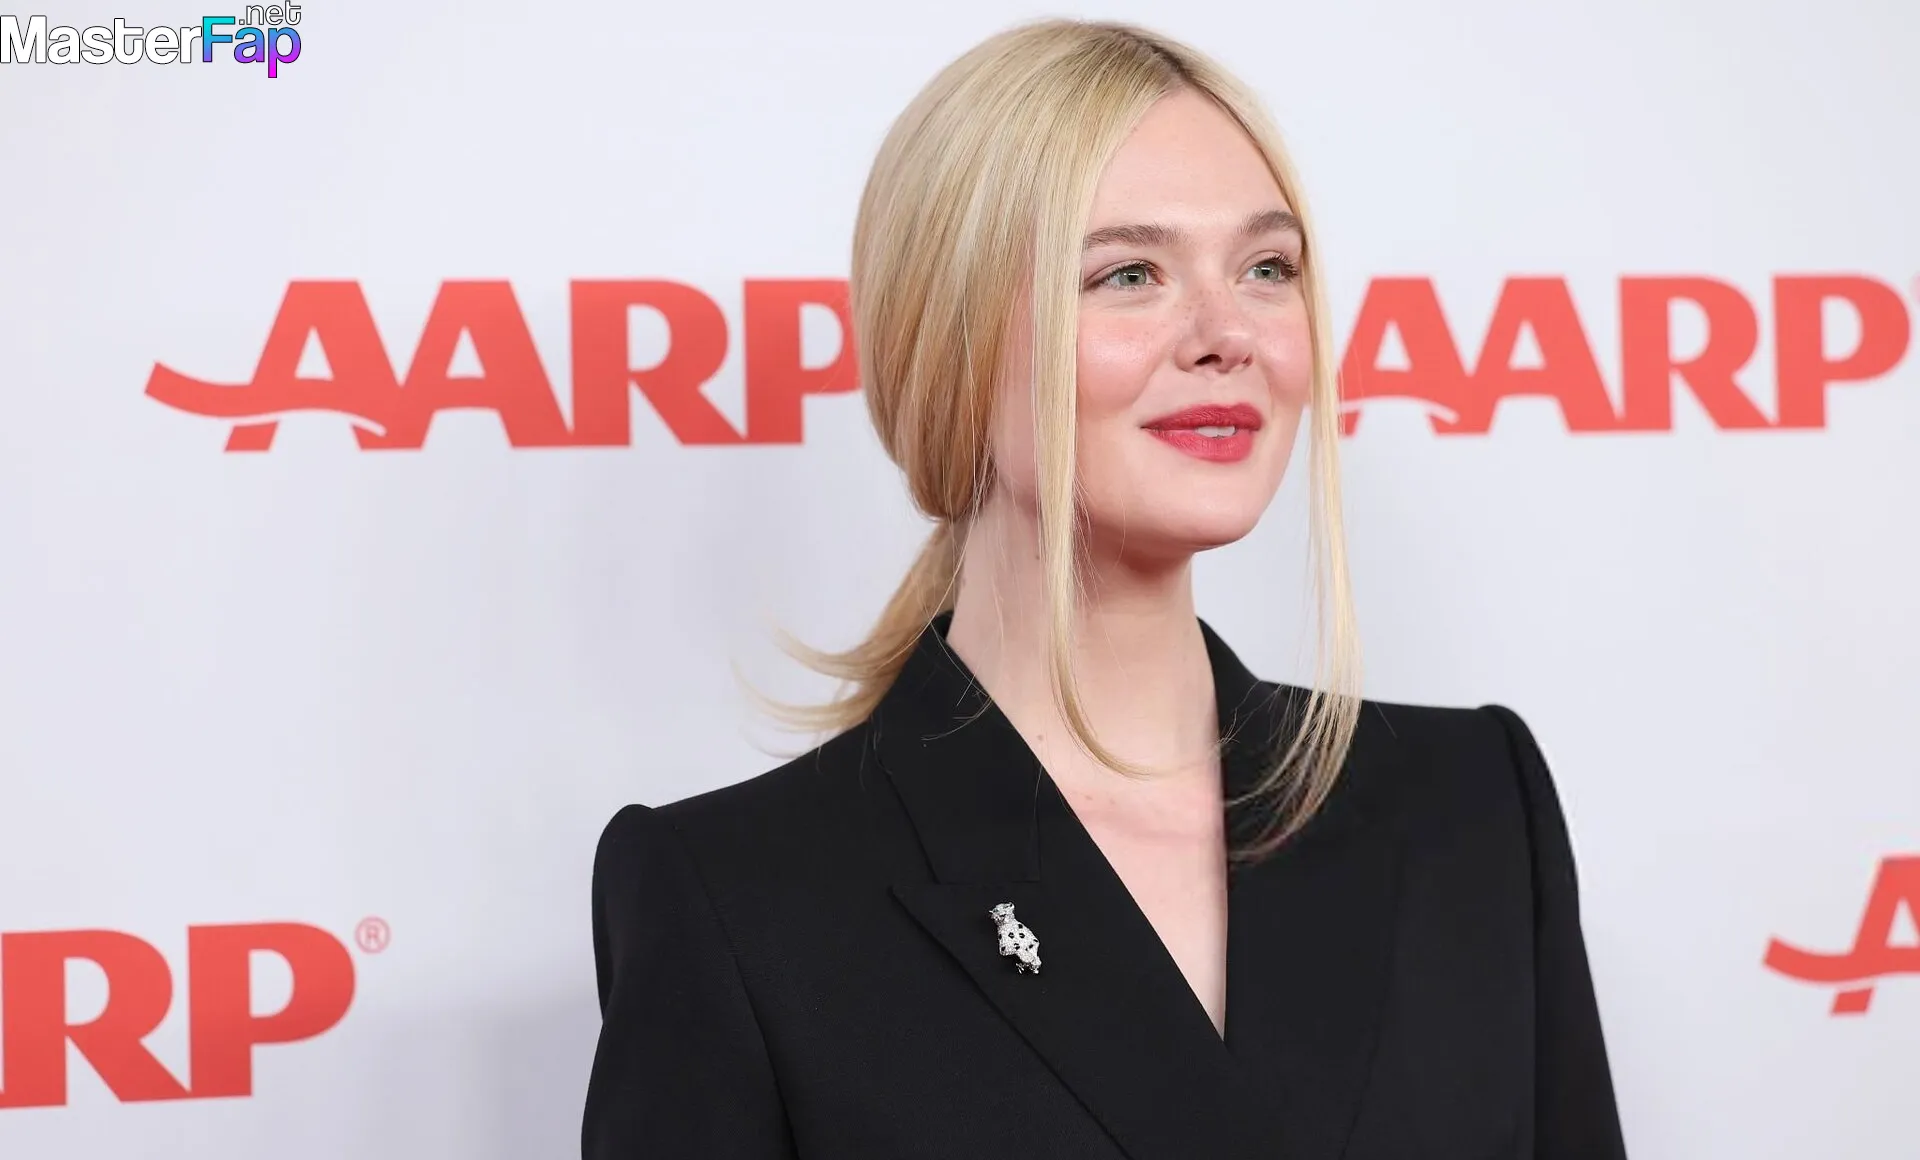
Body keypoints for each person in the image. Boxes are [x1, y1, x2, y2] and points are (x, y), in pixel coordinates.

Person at [582, 17, 1628, 1160]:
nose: (1228, 334)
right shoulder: (739, 897)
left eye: (1267, 268)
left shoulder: (1472, 808)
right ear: (948, 339)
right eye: (1128, 273)